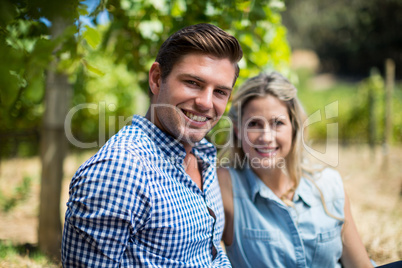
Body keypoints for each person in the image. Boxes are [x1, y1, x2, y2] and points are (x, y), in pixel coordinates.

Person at [62, 23, 243, 267]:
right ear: (157, 79)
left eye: (220, 92)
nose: (205, 103)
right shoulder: (121, 169)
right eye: (193, 82)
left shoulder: (204, 156)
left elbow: (211, 255)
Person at [217, 72, 374, 268]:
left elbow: (359, 265)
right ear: (238, 130)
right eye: (254, 124)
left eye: (278, 123)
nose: (266, 137)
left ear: (294, 128)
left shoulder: (328, 184)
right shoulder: (226, 187)